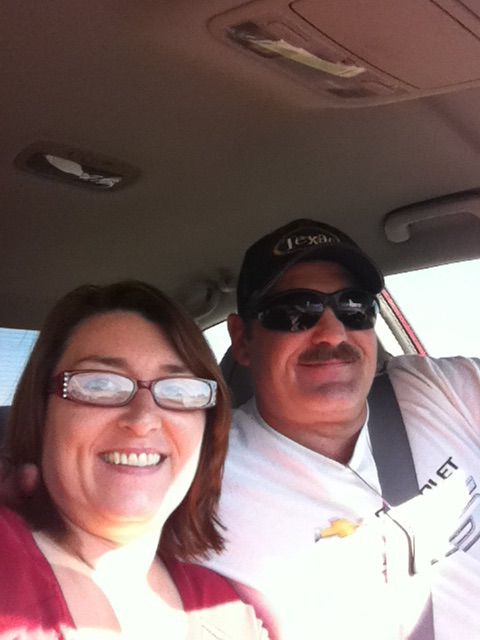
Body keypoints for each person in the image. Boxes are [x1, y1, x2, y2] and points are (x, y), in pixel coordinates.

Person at [201, 219, 480, 639]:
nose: (333, 333)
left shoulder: (441, 389)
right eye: (295, 311)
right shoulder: (201, 479)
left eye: (354, 307)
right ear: (242, 341)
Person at [0, 281, 269, 639]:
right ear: (41, 412)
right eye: (99, 385)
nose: (143, 419)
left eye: (179, 390)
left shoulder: (227, 614)